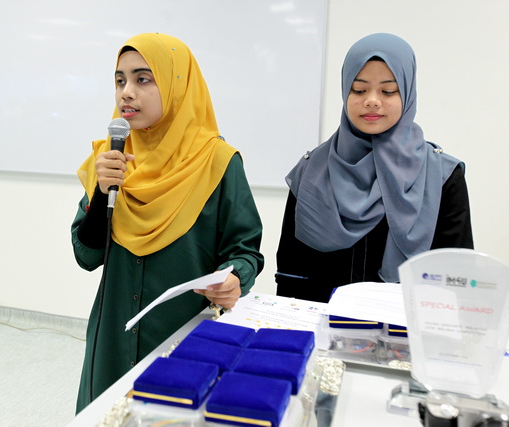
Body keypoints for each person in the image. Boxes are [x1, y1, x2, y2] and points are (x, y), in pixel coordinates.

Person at [71, 33, 264, 412]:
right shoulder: (110, 159)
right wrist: (101, 193)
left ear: (178, 85)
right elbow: (86, 255)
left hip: (185, 336)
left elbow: (245, 252)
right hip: (112, 339)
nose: (126, 93)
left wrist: (234, 279)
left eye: (143, 79)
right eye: (120, 81)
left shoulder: (217, 162)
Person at [275, 33, 473, 303]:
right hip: (321, 324)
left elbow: (455, 280)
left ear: (408, 92)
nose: (372, 100)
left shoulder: (441, 176)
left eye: (388, 91)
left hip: (406, 326)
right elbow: (290, 274)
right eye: (359, 90)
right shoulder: (312, 170)